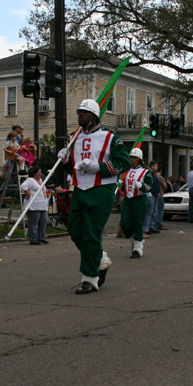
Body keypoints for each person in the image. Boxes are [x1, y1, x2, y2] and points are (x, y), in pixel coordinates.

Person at [58, 99, 130, 294]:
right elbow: (70, 166)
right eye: (79, 112)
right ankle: (100, 259)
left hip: (101, 189)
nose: (79, 115)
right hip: (80, 188)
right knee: (74, 228)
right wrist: (64, 158)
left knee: (91, 233)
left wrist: (97, 167)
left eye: (84, 112)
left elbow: (124, 162)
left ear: (94, 116)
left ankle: (90, 278)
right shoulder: (74, 136)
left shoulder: (109, 136)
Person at [120, 149, 153, 257]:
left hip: (139, 199)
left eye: (134, 158)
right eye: (131, 157)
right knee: (125, 223)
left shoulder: (145, 171)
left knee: (137, 223)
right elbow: (125, 185)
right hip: (128, 199)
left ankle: (137, 250)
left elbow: (150, 186)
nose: (132, 160)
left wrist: (142, 186)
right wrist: (120, 183)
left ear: (139, 159)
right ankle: (136, 243)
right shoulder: (127, 170)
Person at [21, 165, 49, 245]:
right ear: (34, 173)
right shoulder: (30, 180)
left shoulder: (41, 180)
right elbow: (23, 187)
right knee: (33, 222)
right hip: (34, 205)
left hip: (42, 205)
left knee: (43, 222)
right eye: (39, 172)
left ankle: (41, 237)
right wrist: (28, 194)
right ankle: (33, 239)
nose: (40, 173)